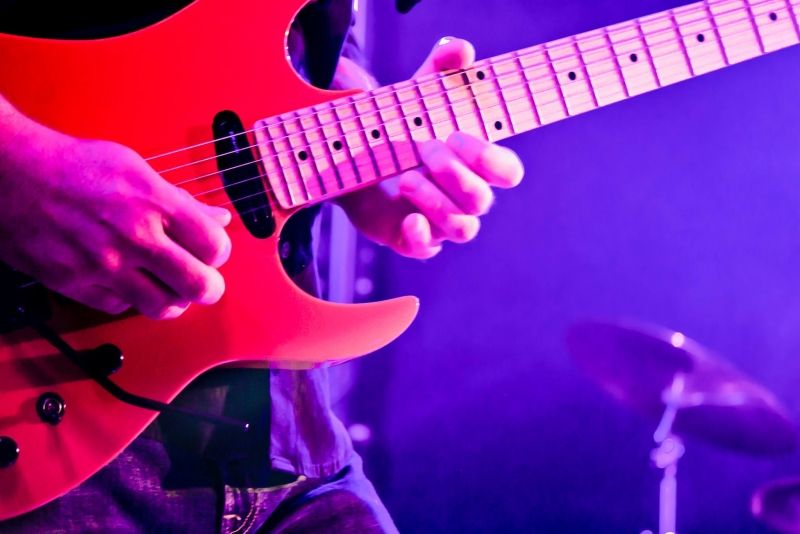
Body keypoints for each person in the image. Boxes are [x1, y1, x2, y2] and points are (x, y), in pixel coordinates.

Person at [0, 1, 524, 532]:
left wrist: (365, 137)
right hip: (54, 399)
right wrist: (15, 164)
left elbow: (314, 34)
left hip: (287, 432)